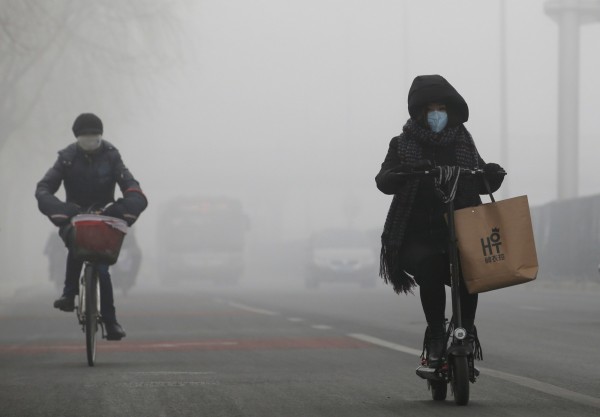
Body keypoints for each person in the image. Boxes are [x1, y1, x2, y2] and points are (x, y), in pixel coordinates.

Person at [375, 75, 505, 368]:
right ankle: (435, 335)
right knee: (431, 267)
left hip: (461, 232)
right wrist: (402, 174)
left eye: (442, 108)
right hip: (417, 234)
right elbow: (383, 180)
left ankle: (467, 333)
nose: (437, 115)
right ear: (420, 113)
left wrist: (492, 174)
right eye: (431, 109)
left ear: (451, 111)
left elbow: (481, 178)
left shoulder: (463, 141)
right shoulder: (401, 144)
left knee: (469, 269)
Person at [35, 113, 148, 340]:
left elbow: (131, 186)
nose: (90, 139)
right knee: (76, 244)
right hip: (74, 216)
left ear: (101, 136)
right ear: (77, 137)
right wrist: (63, 211)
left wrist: (121, 209)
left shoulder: (111, 156)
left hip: (104, 217)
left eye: (94, 135)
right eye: (85, 135)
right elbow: (44, 188)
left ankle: (110, 321)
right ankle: (69, 294)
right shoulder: (66, 158)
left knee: (102, 269)